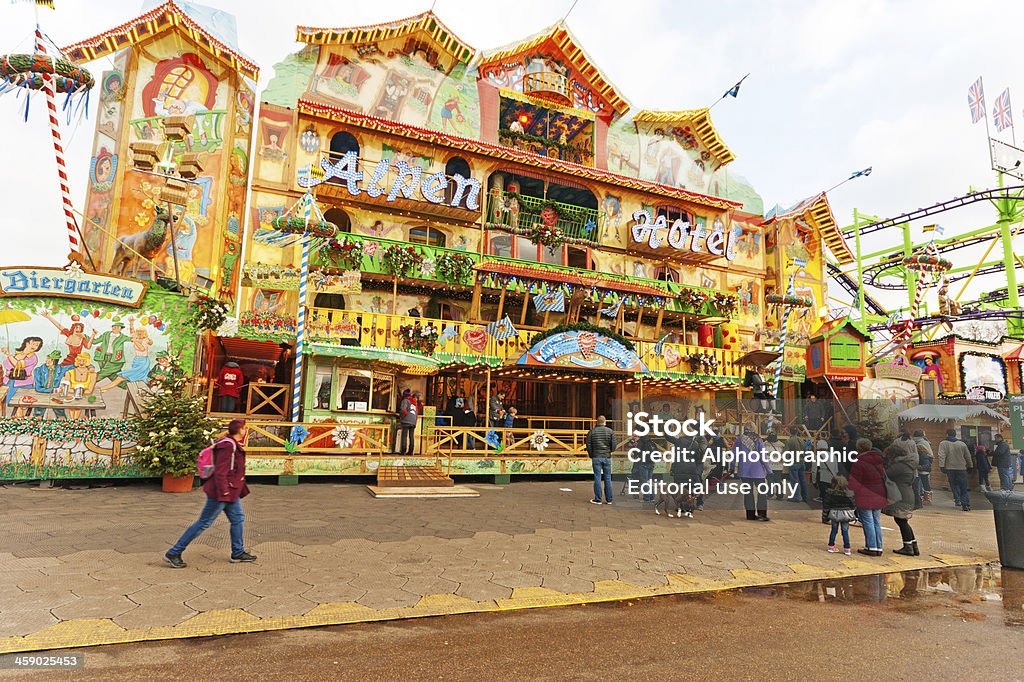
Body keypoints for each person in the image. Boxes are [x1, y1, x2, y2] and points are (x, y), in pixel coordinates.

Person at [164, 419, 255, 568]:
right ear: (239, 430)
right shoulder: (227, 446)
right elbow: (221, 472)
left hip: (230, 491)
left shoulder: (231, 443)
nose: (246, 431)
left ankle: (238, 552)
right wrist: (224, 491)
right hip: (222, 492)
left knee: (238, 519)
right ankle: (174, 552)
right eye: (244, 428)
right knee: (204, 522)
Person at [849, 437, 886, 556]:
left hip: (865, 495)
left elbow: (855, 482)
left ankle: (871, 546)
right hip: (879, 493)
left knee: (868, 522)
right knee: (876, 521)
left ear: (858, 448)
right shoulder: (878, 460)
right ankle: (878, 546)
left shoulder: (859, 462)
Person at [885, 443, 920, 556]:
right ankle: (913, 545)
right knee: (903, 521)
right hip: (907, 495)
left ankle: (908, 547)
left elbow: (886, 475)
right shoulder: (907, 465)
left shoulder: (899, 466)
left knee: (901, 521)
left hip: (901, 496)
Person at [735, 426, 770, 521]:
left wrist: (731, 467)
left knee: (748, 493)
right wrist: (769, 470)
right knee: (762, 492)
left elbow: (734, 454)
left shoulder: (739, 440)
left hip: (744, 471)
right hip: (757, 470)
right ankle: (762, 515)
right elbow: (763, 456)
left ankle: (750, 515)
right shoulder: (758, 439)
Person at [2, 336, 43, 411]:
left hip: (23, 384)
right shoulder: (17, 354)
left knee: (20, 406)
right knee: (6, 404)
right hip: (8, 382)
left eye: (37, 345)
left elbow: (17, 364)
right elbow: (7, 365)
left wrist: (8, 354)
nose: (34, 346)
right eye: (33, 344)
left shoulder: (33, 357)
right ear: (27, 344)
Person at [938, 428, 973, 511]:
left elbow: (941, 455)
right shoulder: (962, 444)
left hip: (950, 468)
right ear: (955, 434)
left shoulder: (943, 443)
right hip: (961, 468)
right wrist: (970, 466)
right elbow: (968, 456)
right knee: (963, 486)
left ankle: (957, 500)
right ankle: (966, 505)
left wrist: (942, 466)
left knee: (954, 485)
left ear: (947, 434)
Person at [585, 415, 615, 505]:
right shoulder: (611, 432)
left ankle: (598, 499)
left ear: (597, 422)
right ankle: (609, 499)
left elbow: (588, 445)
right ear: (605, 422)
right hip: (607, 457)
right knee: (608, 478)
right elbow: (613, 446)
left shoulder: (591, 432)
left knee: (597, 478)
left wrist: (592, 454)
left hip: (596, 457)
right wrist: (609, 451)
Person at [823, 475, 856, 555]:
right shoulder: (849, 494)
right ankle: (847, 548)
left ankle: (831, 546)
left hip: (834, 513)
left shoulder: (830, 494)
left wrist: (825, 517)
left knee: (834, 530)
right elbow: (853, 505)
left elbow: (826, 506)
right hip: (845, 514)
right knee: (845, 531)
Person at [32, 350, 68, 419]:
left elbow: (74, 365)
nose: (47, 361)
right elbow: (38, 388)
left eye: (51, 360)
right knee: (38, 415)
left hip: (55, 396)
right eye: (47, 358)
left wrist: (90, 366)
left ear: (55, 362)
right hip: (41, 394)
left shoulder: (60, 369)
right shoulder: (38, 370)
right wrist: (54, 390)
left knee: (61, 415)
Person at [92, 318, 129, 383]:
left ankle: (89, 382)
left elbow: (133, 339)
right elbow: (95, 341)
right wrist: (90, 335)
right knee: (113, 375)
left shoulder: (123, 337)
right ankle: (127, 385)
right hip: (102, 357)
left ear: (121, 328)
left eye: (117, 327)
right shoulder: (106, 334)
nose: (114, 327)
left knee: (103, 372)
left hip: (115, 358)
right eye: (113, 326)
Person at [784, 426, 809, 503]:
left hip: (794, 462)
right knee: (803, 480)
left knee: (794, 481)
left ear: (790, 432)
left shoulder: (789, 441)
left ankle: (796, 497)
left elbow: (786, 453)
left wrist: (786, 461)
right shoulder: (801, 440)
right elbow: (805, 451)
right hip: (802, 462)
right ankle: (805, 497)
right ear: (797, 432)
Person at [914, 430, 934, 507]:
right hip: (925, 466)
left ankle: (923, 498)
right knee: (924, 483)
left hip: (921, 466)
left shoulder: (916, 443)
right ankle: (926, 498)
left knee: (921, 483)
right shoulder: (925, 442)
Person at [764, 432, 786, 500]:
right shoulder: (782, 445)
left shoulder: (765, 444)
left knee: (770, 480)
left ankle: (770, 494)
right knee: (778, 481)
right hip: (779, 466)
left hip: (769, 465)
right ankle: (780, 495)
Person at [399, 390, 420, 457]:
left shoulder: (405, 400)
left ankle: (403, 451)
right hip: (413, 421)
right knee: (411, 436)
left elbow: (403, 410)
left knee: (404, 436)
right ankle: (411, 451)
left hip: (406, 420)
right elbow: (416, 413)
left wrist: (402, 417)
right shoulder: (414, 402)